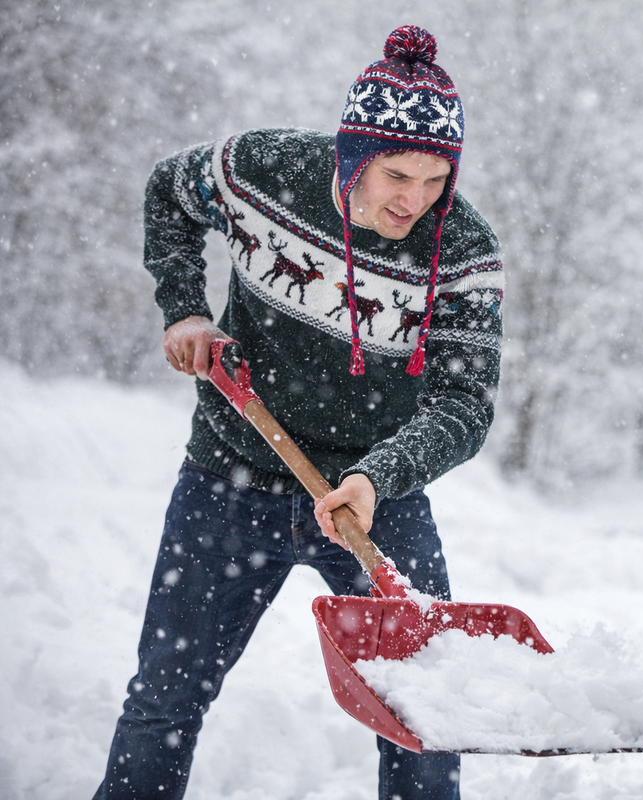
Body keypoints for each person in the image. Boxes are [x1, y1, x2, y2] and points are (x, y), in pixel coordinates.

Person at [93, 25, 501, 800]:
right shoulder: (264, 170)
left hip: (375, 499)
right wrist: (185, 310)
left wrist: (376, 478)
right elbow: (169, 190)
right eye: (395, 174)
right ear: (352, 155)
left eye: (434, 179)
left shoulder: (462, 250)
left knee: (427, 714)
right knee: (164, 699)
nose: (413, 200)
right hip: (229, 477)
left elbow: (465, 404)